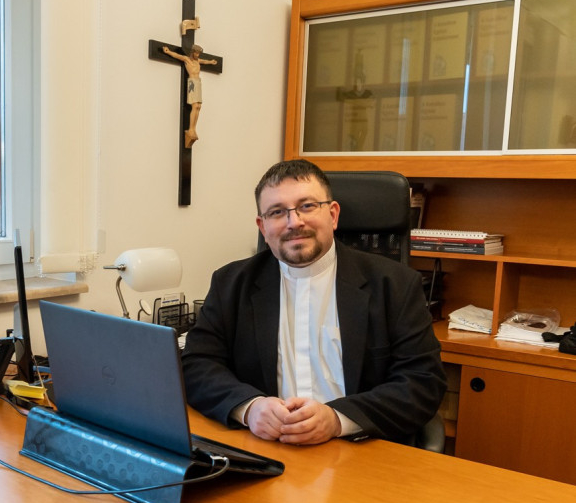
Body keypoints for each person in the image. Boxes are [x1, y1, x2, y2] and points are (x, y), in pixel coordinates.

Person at [181, 159, 446, 446]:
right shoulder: (231, 284)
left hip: (361, 447)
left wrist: (337, 419)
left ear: (333, 215)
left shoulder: (395, 285)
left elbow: (423, 382)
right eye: (277, 212)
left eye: (307, 206)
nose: (294, 222)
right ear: (263, 227)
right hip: (266, 446)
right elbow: (197, 364)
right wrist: (249, 407)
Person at [161, 44, 217, 148]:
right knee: (194, 106)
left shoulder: (198, 61)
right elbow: (177, 55)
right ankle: (191, 129)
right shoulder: (187, 59)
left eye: (199, 53)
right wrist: (168, 52)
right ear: (193, 52)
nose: (198, 55)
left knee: (199, 106)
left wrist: (211, 62)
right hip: (192, 83)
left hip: (198, 82)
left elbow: (205, 61)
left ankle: (194, 128)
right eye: (197, 53)